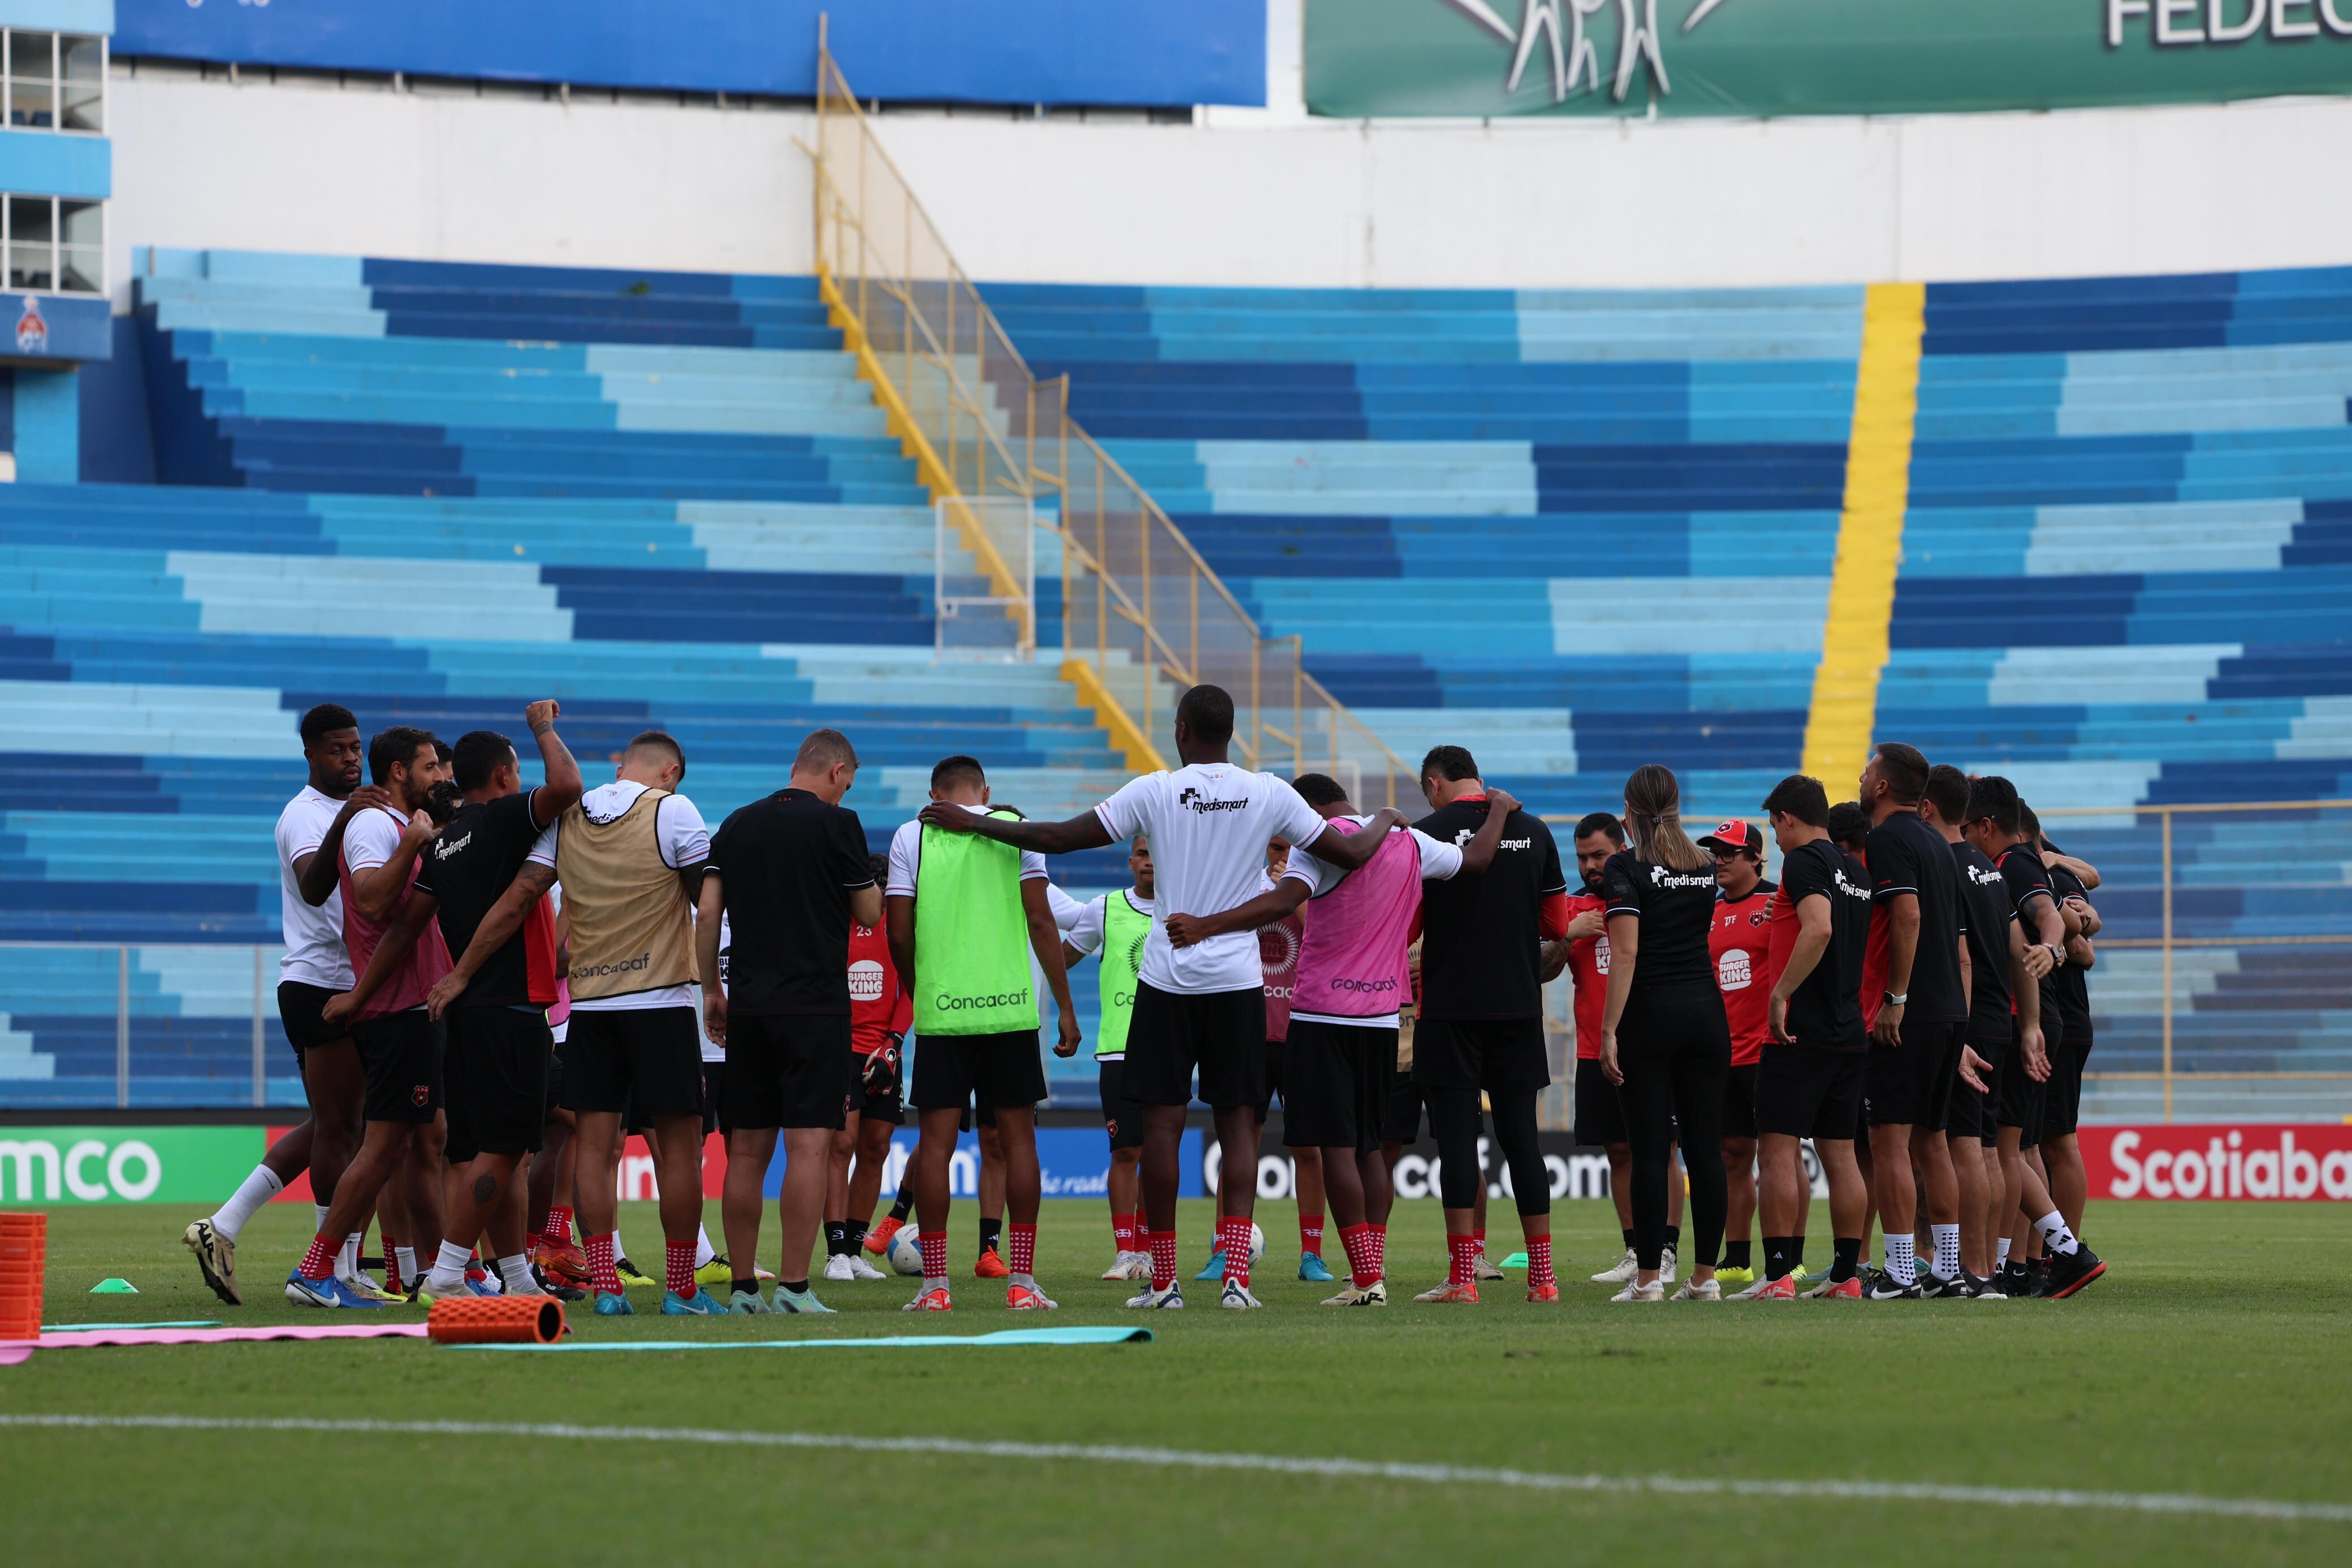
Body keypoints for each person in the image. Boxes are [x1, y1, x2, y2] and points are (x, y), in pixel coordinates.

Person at [916, 683, 1404, 1311]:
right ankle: (1236, 1281)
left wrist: (972, 820)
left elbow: (1063, 837)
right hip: (1236, 982)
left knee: (1163, 1128)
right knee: (1239, 1129)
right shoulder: (1268, 791)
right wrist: (1387, 816)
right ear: (1231, 731)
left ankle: (1165, 1281)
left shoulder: (1155, 788)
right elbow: (1353, 853)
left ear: (1180, 730)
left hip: (1167, 979)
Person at [1172, 772, 1516, 1306]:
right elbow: (1476, 862)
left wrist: (1205, 926)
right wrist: (1497, 811)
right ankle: (1368, 1274)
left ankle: (1365, 1281)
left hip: (1322, 1015)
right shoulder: (1412, 841)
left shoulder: (1319, 841)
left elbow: (1280, 903)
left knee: (1335, 1148)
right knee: (1370, 1149)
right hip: (1383, 1017)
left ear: (1308, 808)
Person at [186, 704, 392, 1307]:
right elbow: (312, 883)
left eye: (355, 747)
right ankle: (334, 1267)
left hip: (352, 980)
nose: (350, 758)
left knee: (341, 1121)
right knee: (341, 1126)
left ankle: (222, 1226)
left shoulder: (364, 806)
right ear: (310, 754)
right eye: (337, 749)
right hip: (321, 983)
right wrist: (349, 819)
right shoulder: (305, 815)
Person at [387, 705, 585, 1303]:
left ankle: (517, 1275)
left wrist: (362, 993)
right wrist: (543, 727)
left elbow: (403, 928)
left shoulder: (443, 845)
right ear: (503, 775)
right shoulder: (505, 818)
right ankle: (448, 1270)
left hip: (469, 1014)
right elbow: (570, 785)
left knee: (495, 1148)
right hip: (510, 1007)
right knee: (503, 1150)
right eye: (519, 768)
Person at [697, 728, 879, 1314]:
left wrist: (712, 989)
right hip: (816, 1008)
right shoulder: (838, 824)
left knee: (745, 1152)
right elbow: (869, 909)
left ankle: (744, 1288)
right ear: (835, 771)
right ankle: (794, 1289)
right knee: (807, 1148)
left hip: (749, 1007)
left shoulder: (735, 824)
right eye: (845, 783)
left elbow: (706, 912)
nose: (844, 793)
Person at [889, 754, 1080, 1311]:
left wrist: (920, 987)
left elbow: (899, 929)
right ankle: (1020, 1280)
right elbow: (1042, 922)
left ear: (934, 793)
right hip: (1009, 1011)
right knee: (1019, 1142)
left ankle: (934, 1287)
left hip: (944, 1012)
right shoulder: (1016, 828)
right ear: (986, 790)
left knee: (935, 1147)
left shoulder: (910, 835)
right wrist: (1065, 1008)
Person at [292, 727, 456, 1307]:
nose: (443, 776)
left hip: (412, 1004)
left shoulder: (402, 825)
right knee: (384, 1145)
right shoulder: (374, 825)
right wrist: (414, 844)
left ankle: (444, 1271)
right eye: (432, 766)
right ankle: (316, 1269)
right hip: (396, 1008)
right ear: (398, 772)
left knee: (426, 1138)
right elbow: (368, 899)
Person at [556, 730, 717, 1316]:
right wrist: (717, 987)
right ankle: (680, 1289)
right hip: (660, 1002)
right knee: (678, 1151)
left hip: (591, 1007)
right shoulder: (673, 809)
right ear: (670, 771)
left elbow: (533, 891)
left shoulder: (569, 811)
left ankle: (606, 1286)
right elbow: (709, 904)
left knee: (594, 1151)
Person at [1407, 747, 1570, 1304]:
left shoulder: (1424, 832)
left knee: (1457, 1144)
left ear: (1434, 784)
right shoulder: (1534, 829)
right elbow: (1556, 923)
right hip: (1518, 1005)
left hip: (1448, 1008)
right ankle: (1542, 1279)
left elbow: (1407, 925)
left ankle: (1460, 1279)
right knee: (1522, 1139)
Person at [1961, 776, 2106, 1298]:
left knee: (2009, 1150)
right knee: (2017, 1148)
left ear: (1985, 826)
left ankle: (2052, 1255)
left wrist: (2051, 945)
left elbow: (2050, 919)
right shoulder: (2012, 864)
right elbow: (2065, 917)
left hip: (2029, 1017)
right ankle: (2026, 1261)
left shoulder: (2016, 862)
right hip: (2031, 1018)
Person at [1597, 765, 1731, 1302]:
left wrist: (1609, 1029)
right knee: (1706, 1151)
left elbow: (1626, 952)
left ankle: (1649, 1280)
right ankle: (1704, 1279)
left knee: (1651, 1152)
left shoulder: (1625, 866)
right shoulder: (1704, 863)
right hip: (1706, 1013)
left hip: (1650, 1015)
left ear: (1628, 813)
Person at [1740, 774, 1874, 1301]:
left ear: (1787, 819)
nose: (1776, 840)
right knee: (1841, 1155)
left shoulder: (1803, 862)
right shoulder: (1855, 870)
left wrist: (1780, 996)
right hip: (1847, 1030)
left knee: (1776, 1150)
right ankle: (1846, 1276)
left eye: (1775, 827)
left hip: (1800, 1031)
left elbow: (1819, 928)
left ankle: (1777, 1278)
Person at [1856, 742, 1972, 1299]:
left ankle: (1901, 1271)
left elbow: (1906, 915)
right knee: (1933, 1140)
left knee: (1888, 1140)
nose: (1860, 776)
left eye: (1866, 769)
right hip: (1948, 1007)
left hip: (1910, 1011)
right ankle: (1946, 1269)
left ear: (1881, 786)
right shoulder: (1938, 842)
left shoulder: (1885, 840)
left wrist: (1894, 998)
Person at [1558, 814, 1687, 1287]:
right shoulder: (1572, 906)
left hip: (1653, 1045)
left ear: (1622, 847)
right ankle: (1637, 1250)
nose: (1591, 866)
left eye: (1599, 855)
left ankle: (1666, 1251)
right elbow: (1545, 969)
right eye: (1583, 858)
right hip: (1595, 1049)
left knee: (1663, 1148)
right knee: (1618, 1150)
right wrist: (1570, 933)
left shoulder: (1649, 897)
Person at [1922, 763, 2012, 1290]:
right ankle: (1988, 1268)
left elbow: (1961, 958)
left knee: (1963, 1147)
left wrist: (1958, 1029)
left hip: (1966, 1020)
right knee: (1987, 1150)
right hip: (1997, 1017)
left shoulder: (1942, 865)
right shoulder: (1987, 866)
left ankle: (1970, 1270)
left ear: (1927, 807)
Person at [1064, 834, 1158, 1282]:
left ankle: (1150, 1251)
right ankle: (1127, 1254)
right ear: (1130, 861)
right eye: (1142, 853)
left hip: (1170, 1051)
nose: (1150, 862)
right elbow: (1060, 956)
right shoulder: (1105, 908)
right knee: (1126, 1152)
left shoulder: (1192, 908)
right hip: (1118, 1049)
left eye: (1158, 853)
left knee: (1160, 1155)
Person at [1699, 818, 1775, 1290]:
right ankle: (1738, 1257)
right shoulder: (1706, 910)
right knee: (1733, 1155)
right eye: (1715, 852)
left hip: (1769, 1048)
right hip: (1723, 1053)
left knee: (1778, 1156)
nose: (1720, 860)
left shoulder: (1778, 902)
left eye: (1729, 852)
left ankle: (1789, 1257)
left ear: (1755, 857)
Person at [823, 854, 906, 1283]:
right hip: (841, 1048)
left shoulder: (901, 924)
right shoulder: (833, 921)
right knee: (841, 1146)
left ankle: (855, 1252)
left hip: (884, 1051)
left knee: (876, 1148)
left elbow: (912, 986)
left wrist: (894, 1041)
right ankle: (835, 1252)